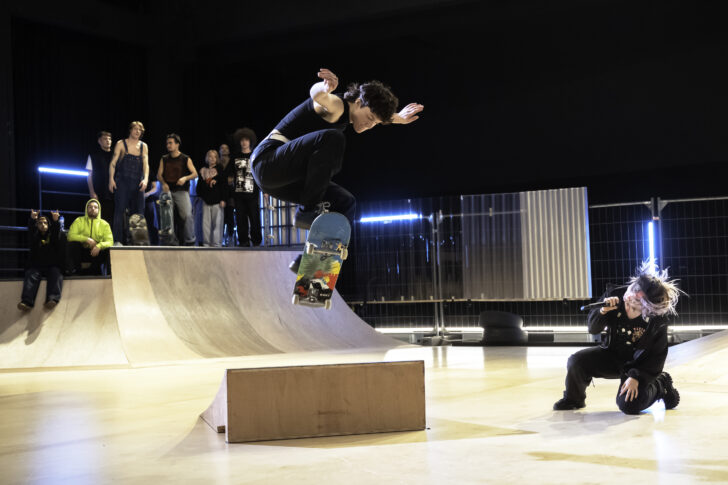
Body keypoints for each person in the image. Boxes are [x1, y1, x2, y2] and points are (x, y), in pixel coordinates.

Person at [251, 68, 424, 271]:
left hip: (283, 180)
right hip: (267, 163)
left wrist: (397, 118)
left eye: (376, 124)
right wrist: (324, 88)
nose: (369, 125)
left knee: (345, 202)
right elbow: (318, 96)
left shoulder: (358, 111)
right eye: (369, 118)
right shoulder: (336, 106)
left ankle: (314, 266)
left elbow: (379, 116)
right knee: (333, 139)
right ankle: (307, 211)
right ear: (358, 102)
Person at [553, 261, 682, 414]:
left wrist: (637, 377)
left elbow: (657, 357)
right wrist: (603, 311)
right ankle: (573, 399)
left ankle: (661, 385)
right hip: (612, 355)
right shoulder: (614, 294)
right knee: (577, 361)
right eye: (632, 290)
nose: (629, 298)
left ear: (647, 308)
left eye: (635, 303)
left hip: (637, 365)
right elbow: (593, 329)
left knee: (629, 405)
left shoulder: (657, 320)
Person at [109, 121, 149, 245]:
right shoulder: (121, 143)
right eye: (135, 129)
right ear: (130, 130)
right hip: (123, 182)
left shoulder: (143, 146)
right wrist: (111, 179)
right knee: (119, 211)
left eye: (140, 130)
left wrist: (145, 179)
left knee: (138, 212)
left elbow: (146, 165)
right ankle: (117, 240)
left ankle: (137, 241)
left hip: (137, 182)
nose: (137, 131)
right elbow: (113, 163)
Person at [17, 210, 64, 311]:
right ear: (37, 225)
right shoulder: (35, 237)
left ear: (48, 225)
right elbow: (31, 233)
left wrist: (55, 221)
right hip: (36, 266)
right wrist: (33, 220)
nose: (43, 225)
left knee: (56, 274)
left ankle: (52, 299)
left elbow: (56, 232)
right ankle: (27, 302)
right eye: (40, 223)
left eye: (45, 223)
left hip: (51, 266)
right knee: (30, 274)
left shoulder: (52, 236)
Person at [157, 133, 198, 245]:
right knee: (167, 217)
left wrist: (185, 178)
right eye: (167, 143)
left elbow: (195, 174)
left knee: (187, 215)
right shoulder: (164, 159)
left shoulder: (185, 158)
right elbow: (159, 175)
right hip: (168, 191)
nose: (168, 145)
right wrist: (163, 183)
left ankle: (190, 240)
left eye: (170, 143)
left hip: (181, 191)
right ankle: (169, 241)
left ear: (177, 144)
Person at [230, 127, 262, 246]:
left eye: (246, 140)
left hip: (252, 194)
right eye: (242, 140)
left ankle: (256, 241)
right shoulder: (235, 156)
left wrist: (264, 191)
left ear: (250, 141)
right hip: (239, 194)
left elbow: (260, 174)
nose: (244, 142)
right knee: (240, 219)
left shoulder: (255, 155)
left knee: (254, 218)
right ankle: (243, 241)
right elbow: (228, 173)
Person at [66, 199, 114, 275]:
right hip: (82, 252)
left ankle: (105, 274)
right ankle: (74, 271)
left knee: (108, 249)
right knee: (72, 244)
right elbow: (70, 236)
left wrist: (99, 246)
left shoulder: (105, 224)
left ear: (99, 210)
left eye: (95, 207)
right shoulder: (79, 220)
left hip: (97, 253)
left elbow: (110, 242)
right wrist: (86, 239)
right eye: (90, 207)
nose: (93, 209)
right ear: (86, 209)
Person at [197, 149, 228, 247]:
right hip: (206, 201)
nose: (212, 158)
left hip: (218, 201)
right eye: (210, 156)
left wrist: (223, 199)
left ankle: (217, 244)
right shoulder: (202, 170)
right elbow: (199, 186)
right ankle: (206, 244)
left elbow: (224, 186)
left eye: (215, 157)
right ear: (207, 158)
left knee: (217, 224)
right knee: (205, 224)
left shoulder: (220, 170)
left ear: (217, 158)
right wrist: (200, 196)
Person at [86, 130, 115, 232]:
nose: (108, 141)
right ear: (99, 141)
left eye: (109, 139)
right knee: (102, 219)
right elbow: (89, 175)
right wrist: (92, 192)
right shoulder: (93, 156)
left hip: (115, 192)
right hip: (100, 192)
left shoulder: (116, 155)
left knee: (115, 219)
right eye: (105, 139)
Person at [218, 143, 235, 246]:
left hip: (231, 193)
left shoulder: (232, 161)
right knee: (220, 217)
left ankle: (230, 236)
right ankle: (220, 238)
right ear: (219, 151)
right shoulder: (217, 162)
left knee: (230, 216)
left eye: (226, 148)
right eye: (222, 148)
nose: (224, 150)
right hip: (219, 193)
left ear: (229, 150)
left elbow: (234, 175)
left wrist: (231, 179)